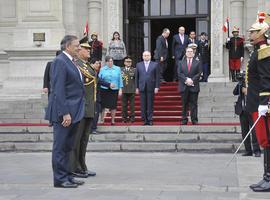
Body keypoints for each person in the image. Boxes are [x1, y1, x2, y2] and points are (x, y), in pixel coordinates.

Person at [45, 35, 85, 188]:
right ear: (68, 46)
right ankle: (60, 179)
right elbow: (58, 89)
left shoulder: (71, 61)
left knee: (68, 146)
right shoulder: (60, 61)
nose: (79, 48)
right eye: (77, 46)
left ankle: (68, 175)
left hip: (74, 111)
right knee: (61, 147)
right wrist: (65, 113)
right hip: (65, 113)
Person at [246, 12, 270, 192]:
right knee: (264, 141)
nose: (250, 34)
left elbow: (266, 79)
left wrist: (264, 102)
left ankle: (269, 178)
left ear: (261, 33)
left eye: (253, 31)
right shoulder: (257, 51)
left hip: (262, 104)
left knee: (267, 140)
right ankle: (266, 176)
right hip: (255, 102)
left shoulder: (263, 51)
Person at [71, 37, 97, 178]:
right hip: (80, 107)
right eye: (86, 48)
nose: (89, 50)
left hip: (89, 107)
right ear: (79, 50)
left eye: (89, 48)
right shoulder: (76, 65)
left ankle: (82, 165)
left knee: (84, 139)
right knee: (77, 139)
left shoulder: (87, 66)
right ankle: (74, 167)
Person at [233, 73, 261, 157]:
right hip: (242, 111)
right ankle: (248, 150)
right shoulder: (241, 84)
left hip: (252, 110)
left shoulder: (254, 83)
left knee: (254, 131)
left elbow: (258, 93)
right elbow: (234, 92)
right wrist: (239, 84)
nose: (245, 77)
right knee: (244, 132)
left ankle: (256, 150)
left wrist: (248, 91)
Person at [178, 47, 202, 125]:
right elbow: (179, 73)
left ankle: (194, 120)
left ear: (193, 53)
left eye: (191, 51)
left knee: (194, 104)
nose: (189, 53)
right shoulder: (181, 63)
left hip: (194, 86)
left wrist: (192, 80)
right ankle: (184, 120)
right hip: (184, 86)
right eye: (188, 51)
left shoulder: (197, 62)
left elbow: (199, 73)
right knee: (184, 104)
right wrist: (186, 80)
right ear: (185, 53)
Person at [136, 51, 160, 126]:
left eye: (147, 55)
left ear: (150, 56)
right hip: (142, 86)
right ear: (142, 56)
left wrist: (157, 87)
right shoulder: (138, 65)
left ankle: (150, 119)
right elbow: (137, 77)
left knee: (150, 104)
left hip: (151, 86)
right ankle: (144, 119)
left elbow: (157, 77)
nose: (146, 56)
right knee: (143, 104)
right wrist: (136, 87)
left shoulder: (155, 64)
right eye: (145, 55)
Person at [91, 59, 115, 134]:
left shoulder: (95, 72)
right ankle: (93, 128)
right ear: (92, 64)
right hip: (92, 96)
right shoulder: (91, 72)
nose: (98, 65)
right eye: (97, 63)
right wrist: (109, 84)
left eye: (99, 63)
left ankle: (93, 128)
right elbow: (99, 81)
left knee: (96, 112)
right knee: (95, 112)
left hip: (96, 96)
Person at [99, 56, 123, 125]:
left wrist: (120, 89)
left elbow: (120, 79)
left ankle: (112, 120)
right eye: (109, 61)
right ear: (106, 62)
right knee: (103, 105)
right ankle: (102, 120)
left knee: (113, 105)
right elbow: (99, 79)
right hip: (104, 88)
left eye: (111, 61)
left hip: (114, 89)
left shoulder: (117, 68)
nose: (110, 62)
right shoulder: (102, 69)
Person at [121, 56, 136, 123]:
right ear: (124, 62)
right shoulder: (121, 70)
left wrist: (136, 88)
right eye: (127, 61)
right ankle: (124, 118)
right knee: (124, 105)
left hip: (132, 89)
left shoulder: (134, 70)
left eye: (130, 62)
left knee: (132, 105)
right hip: (123, 89)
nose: (128, 63)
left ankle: (132, 118)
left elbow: (136, 80)